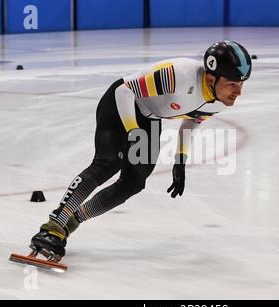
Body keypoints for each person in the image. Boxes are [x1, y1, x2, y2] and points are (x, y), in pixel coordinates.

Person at [29, 40, 253, 261]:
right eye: (233, 84)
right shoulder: (178, 76)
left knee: (133, 183)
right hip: (122, 105)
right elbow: (124, 91)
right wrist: (133, 130)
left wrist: (180, 160)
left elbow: (192, 121)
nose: (238, 92)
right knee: (108, 163)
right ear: (211, 78)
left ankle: (69, 225)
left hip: (149, 117)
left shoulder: (221, 99)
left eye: (242, 83)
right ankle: (52, 226)